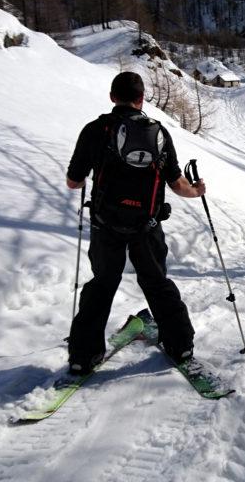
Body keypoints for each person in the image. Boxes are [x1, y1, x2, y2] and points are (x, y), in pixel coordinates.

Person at [64, 71, 205, 375]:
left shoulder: (95, 129)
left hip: (106, 225)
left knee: (101, 285)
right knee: (157, 284)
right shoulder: (158, 133)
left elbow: (74, 183)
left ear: (113, 97)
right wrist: (197, 191)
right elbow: (177, 183)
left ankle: (83, 356)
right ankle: (180, 345)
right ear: (141, 99)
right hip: (147, 225)